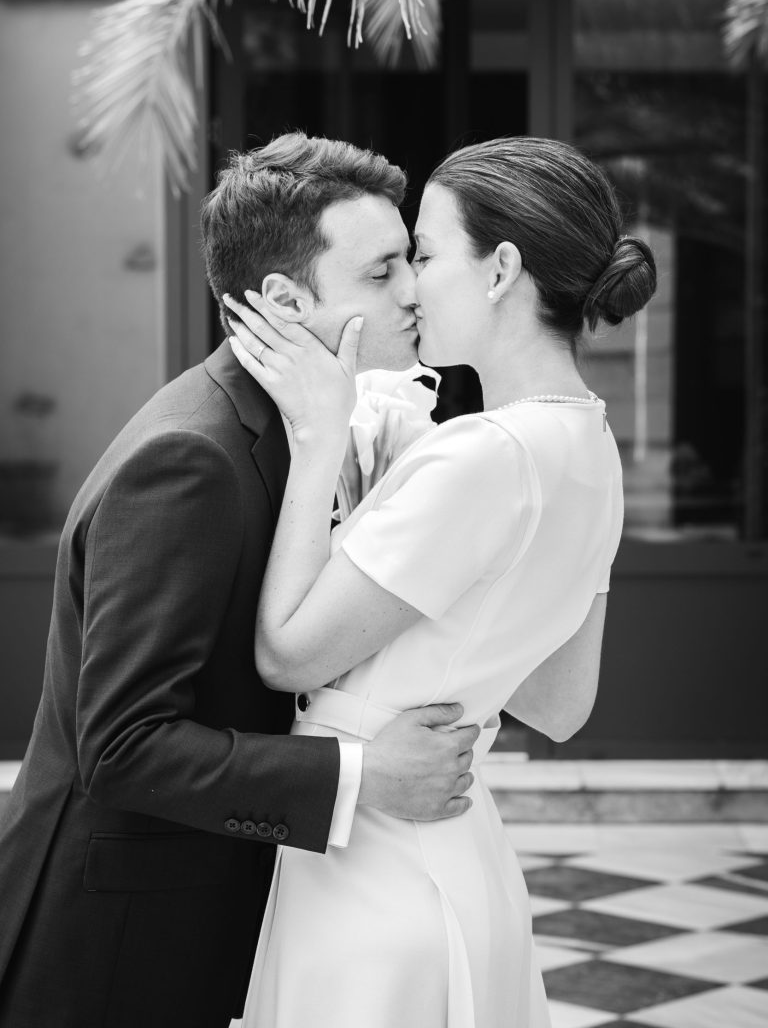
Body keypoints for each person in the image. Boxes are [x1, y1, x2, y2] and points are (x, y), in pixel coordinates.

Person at [0, 134, 479, 1028]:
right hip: (117, 943)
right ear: (285, 302)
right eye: (381, 274)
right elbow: (123, 745)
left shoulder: (305, 425)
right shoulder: (191, 459)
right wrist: (363, 775)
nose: (413, 290)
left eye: (409, 260)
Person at [224, 135, 657, 1028]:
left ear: (501, 269)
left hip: (374, 873)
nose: (413, 286)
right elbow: (561, 702)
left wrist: (318, 446)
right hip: (459, 851)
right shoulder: (590, 443)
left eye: (423, 253)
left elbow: (286, 655)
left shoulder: (484, 454)